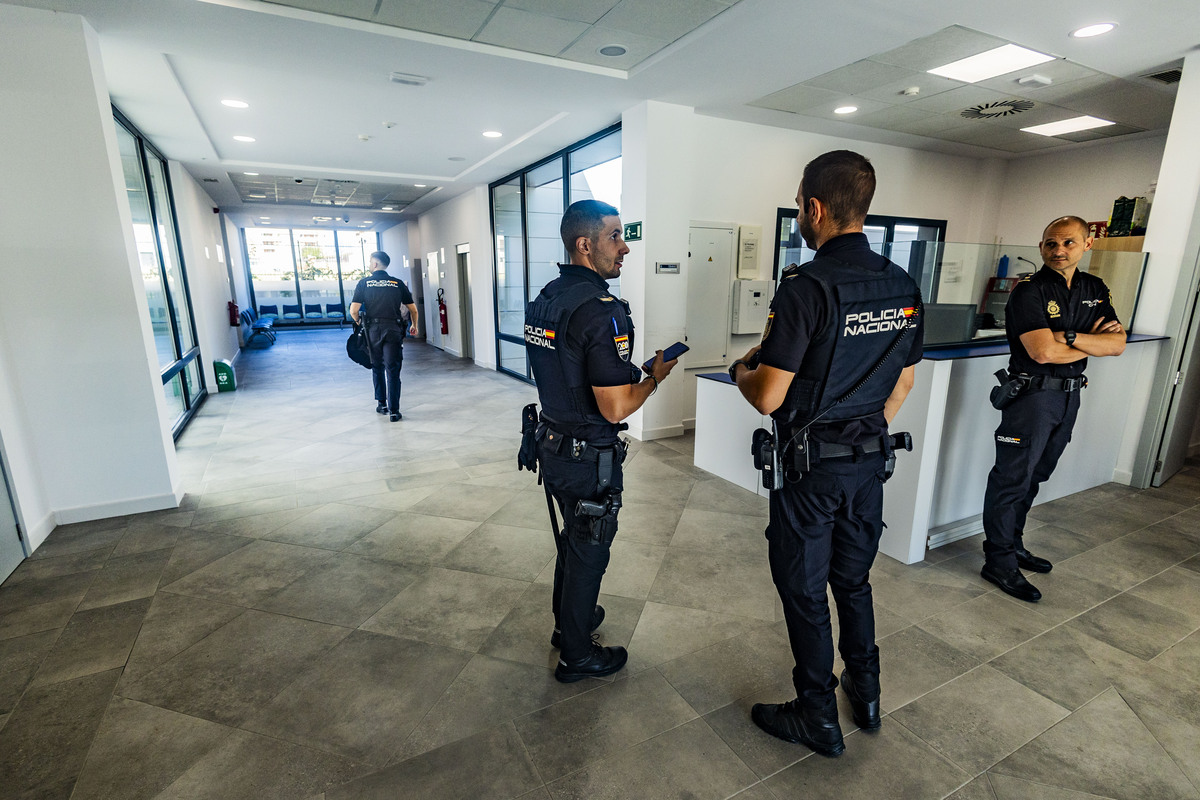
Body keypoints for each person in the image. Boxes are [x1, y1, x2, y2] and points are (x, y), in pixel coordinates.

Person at [729, 150, 923, 756]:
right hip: (869, 465)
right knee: (854, 581)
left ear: (815, 208)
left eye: (800, 207)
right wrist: (861, 433)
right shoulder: (902, 285)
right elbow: (905, 382)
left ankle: (817, 715)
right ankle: (866, 696)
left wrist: (741, 370)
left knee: (807, 592)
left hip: (810, 475)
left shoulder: (806, 289)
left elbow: (768, 397)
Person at [523, 199, 677, 683]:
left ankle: (569, 625)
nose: (625, 247)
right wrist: (654, 378)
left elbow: (569, 372)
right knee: (590, 548)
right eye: (615, 236)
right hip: (588, 454)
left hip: (552, 442)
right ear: (584, 245)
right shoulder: (603, 312)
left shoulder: (546, 298)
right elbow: (615, 407)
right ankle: (578, 655)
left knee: (573, 540)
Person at [980, 216, 1126, 602]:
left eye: (1068, 243)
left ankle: (1013, 544)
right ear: (1041, 246)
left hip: (1070, 395)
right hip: (1032, 398)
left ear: (1086, 245)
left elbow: (1117, 345)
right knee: (1012, 478)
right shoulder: (1028, 291)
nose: (1058, 250)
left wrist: (1071, 336)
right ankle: (998, 560)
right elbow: (1042, 351)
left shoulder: (1094, 288)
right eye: (1050, 243)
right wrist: (1089, 339)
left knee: (1037, 474)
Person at [349, 251, 418, 421]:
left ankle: (382, 404)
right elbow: (413, 309)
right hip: (393, 329)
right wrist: (414, 325)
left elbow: (353, 310)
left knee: (377, 365)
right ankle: (394, 411)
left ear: (374, 264)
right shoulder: (397, 283)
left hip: (373, 330)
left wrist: (359, 323)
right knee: (393, 369)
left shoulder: (364, 283)